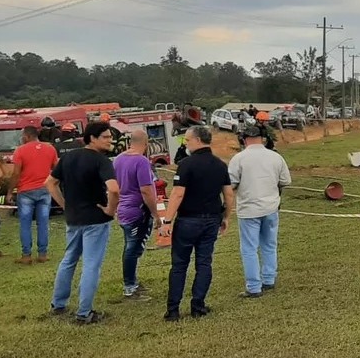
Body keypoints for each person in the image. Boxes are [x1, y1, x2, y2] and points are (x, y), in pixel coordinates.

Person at [47, 121, 119, 325]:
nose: (110, 140)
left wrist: (64, 204)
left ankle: (58, 304)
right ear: (92, 138)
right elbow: (114, 189)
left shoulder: (68, 157)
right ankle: (84, 312)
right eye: (106, 136)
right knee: (91, 265)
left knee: (69, 260)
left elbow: (50, 183)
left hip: (74, 218)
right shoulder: (102, 161)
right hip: (95, 220)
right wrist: (110, 210)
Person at [160, 125, 234, 322]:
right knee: (204, 263)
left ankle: (173, 309)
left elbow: (177, 193)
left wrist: (166, 221)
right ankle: (198, 305)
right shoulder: (220, 165)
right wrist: (226, 217)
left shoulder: (186, 164)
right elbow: (228, 194)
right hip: (211, 220)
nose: (185, 143)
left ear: (198, 140)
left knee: (179, 265)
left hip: (187, 221)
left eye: (187, 140)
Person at [228, 125, 291, 297]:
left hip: (249, 210)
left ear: (244, 139)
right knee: (269, 244)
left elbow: (231, 184)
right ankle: (269, 278)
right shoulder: (276, 157)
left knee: (249, 248)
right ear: (262, 138)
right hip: (271, 207)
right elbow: (285, 181)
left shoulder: (238, 159)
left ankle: (254, 286)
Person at [113, 129, 160, 300]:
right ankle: (129, 287)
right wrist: (155, 214)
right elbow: (146, 190)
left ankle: (132, 281)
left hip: (124, 209)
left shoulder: (118, 160)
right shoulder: (141, 161)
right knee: (132, 249)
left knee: (130, 247)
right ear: (146, 143)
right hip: (137, 210)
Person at [6, 126, 58, 265]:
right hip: (44, 190)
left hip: (26, 192)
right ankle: (42, 254)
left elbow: (16, 173)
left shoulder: (20, 150)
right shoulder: (50, 148)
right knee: (43, 223)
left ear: (27, 136)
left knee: (25, 224)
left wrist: (10, 192)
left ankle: (26, 255)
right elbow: (57, 169)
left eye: (23, 136)